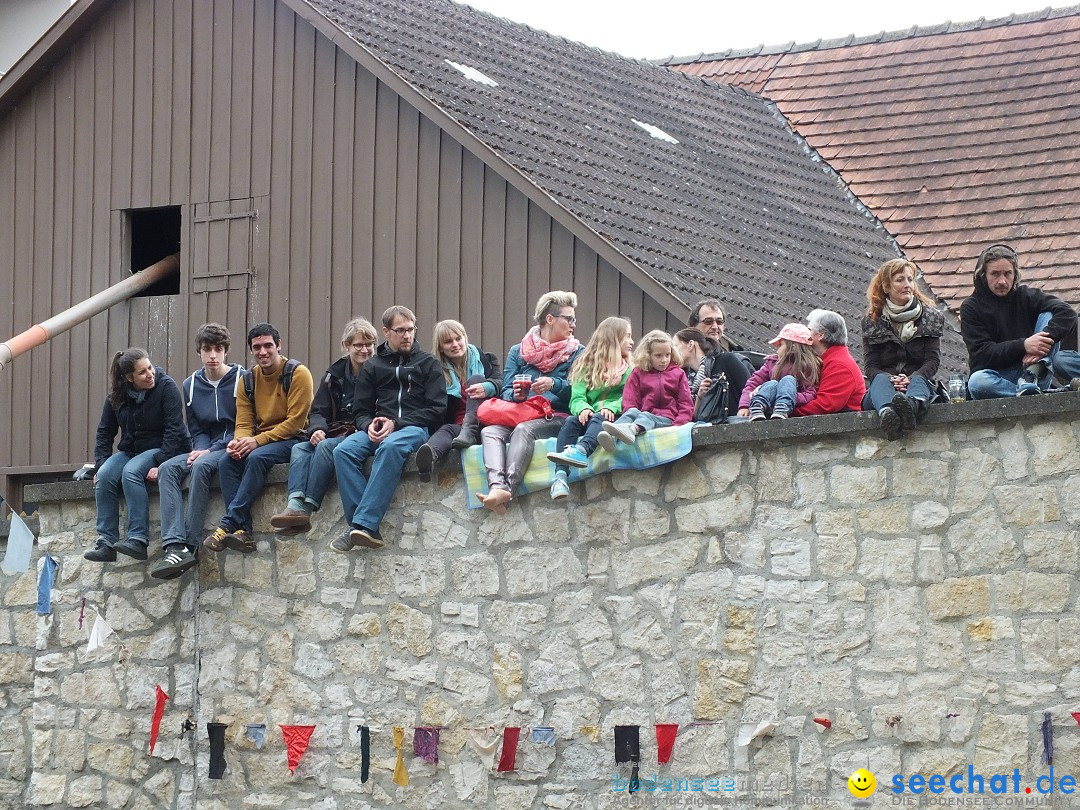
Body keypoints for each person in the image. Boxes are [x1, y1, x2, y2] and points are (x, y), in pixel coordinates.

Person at [330, 306, 446, 552]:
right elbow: (360, 411)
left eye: (411, 330)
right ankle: (365, 527)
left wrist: (398, 423)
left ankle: (361, 525)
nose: (407, 335)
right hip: (379, 427)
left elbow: (438, 409)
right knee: (342, 451)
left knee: (391, 446)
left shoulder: (428, 363)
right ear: (386, 331)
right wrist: (367, 425)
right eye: (400, 330)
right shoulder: (373, 366)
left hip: (414, 428)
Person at [203, 323, 313, 555]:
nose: (262, 352)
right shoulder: (247, 379)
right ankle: (243, 532)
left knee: (257, 458)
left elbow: (294, 423)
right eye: (256, 347)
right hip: (261, 440)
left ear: (279, 345)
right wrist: (238, 442)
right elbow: (243, 422)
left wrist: (256, 442)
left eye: (268, 345)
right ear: (251, 350)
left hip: (293, 439)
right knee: (226, 461)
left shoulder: (298, 373)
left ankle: (228, 523)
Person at [477, 291, 583, 515]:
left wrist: (554, 384)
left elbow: (580, 393)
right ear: (550, 319)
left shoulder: (578, 353)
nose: (574, 324)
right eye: (569, 318)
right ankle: (496, 486)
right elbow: (505, 390)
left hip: (555, 416)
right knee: (490, 432)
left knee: (524, 431)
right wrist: (516, 394)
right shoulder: (518, 351)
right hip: (521, 411)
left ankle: (507, 490)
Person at [269, 318, 377, 534]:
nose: (364, 350)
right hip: (336, 430)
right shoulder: (333, 375)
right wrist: (316, 429)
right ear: (346, 346)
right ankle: (294, 505)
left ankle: (306, 510)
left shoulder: (380, 372)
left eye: (369, 344)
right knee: (299, 448)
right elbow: (318, 410)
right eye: (358, 345)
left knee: (327, 447)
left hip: (362, 432)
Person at [152, 324, 241, 579]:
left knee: (202, 467)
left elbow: (243, 425)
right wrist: (200, 448)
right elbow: (196, 427)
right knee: (168, 468)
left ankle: (190, 546)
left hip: (230, 445)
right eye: (207, 349)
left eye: (218, 349)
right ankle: (174, 544)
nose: (213, 355)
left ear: (225, 352)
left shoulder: (242, 378)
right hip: (204, 446)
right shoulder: (190, 385)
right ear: (199, 352)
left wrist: (209, 451)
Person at [85, 349, 190, 563]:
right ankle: (107, 542)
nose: (150, 374)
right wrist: (100, 465)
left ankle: (138, 539)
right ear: (129, 378)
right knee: (104, 475)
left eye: (150, 368)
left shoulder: (166, 387)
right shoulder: (117, 396)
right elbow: (105, 432)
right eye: (142, 372)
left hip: (162, 447)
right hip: (131, 450)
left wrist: (161, 461)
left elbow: (174, 429)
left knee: (131, 472)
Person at [961, 243, 1080, 398]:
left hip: (1035, 372)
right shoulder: (971, 307)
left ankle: (1031, 378)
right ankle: (1034, 396)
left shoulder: (1025, 295)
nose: (1002, 281)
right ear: (983, 275)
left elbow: (1067, 313)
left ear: (1015, 275)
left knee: (1050, 314)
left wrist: (1040, 344)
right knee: (977, 382)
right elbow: (983, 353)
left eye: (1007, 274)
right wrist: (1025, 345)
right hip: (999, 376)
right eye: (995, 274)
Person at [546, 317, 634, 500]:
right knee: (571, 421)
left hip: (613, 418)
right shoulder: (585, 366)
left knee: (600, 417)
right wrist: (583, 408)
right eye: (627, 337)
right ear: (613, 339)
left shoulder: (632, 370)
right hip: (589, 416)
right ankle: (560, 476)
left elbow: (629, 397)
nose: (632, 342)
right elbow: (576, 397)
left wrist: (612, 407)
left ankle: (582, 451)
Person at [861, 259, 944, 439]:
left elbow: (932, 360)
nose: (907, 285)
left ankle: (911, 407)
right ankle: (887, 414)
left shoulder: (930, 317)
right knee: (880, 380)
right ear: (886, 286)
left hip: (917, 382)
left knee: (919, 380)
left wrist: (910, 379)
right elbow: (871, 366)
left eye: (910, 279)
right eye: (900, 280)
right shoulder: (872, 321)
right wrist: (892, 380)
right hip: (884, 386)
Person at [413, 319, 500, 482]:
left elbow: (501, 383)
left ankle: (470, 429)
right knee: (446, 430)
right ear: (440, 347)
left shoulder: (487, 359)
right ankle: (428, 456)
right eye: (448, 341)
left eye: (458, 338)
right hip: (459, 431)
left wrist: (487, 387)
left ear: (465, 338)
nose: (455, 344)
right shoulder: (436, 372)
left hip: (488, 424)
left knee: (476, 379)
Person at [597, 330, 693, 452]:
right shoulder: (638, 373)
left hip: (668, 419)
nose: (664, 360)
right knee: (632, 411)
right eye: (658, 356)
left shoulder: (678, 374)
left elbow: (686, 403)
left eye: (667, 355)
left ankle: (632, 430)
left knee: (647, 416)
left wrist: (678, 425)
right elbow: (630, 399)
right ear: (648, 355)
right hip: (642, 415)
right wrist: (631, 414)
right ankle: (611, 434)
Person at [737, 324, 821, 421]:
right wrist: (744, 405)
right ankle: (757, 407)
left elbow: (810, 393)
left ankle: (782, 407)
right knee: (773, 384)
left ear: (793, 347)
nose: (777, 349)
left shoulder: (807, 367)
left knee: (788, 380)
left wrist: (790, 395)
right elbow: (753, 383)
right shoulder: (772, 362)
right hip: (767, 403)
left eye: (781, 345)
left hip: (787, 405)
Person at [793, 310, 866, 416]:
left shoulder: (840, 366)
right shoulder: (829, 359)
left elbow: (825, 405)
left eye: (809, 330)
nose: (805, 334)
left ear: (820, 335)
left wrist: (787, 411)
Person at [673, 328, 750, 418]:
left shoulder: (726, 360)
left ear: (691, 345)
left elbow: (750, 388)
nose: (672, 354)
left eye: (675, 347)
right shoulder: (683, 377)